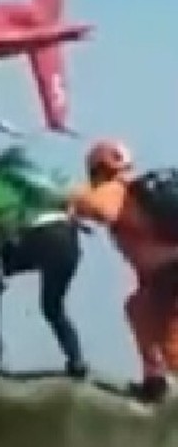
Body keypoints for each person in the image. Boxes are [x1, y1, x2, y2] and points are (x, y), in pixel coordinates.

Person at [0, 146, 88, 379]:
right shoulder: (26, 185)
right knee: (53, 306)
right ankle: (76, 360)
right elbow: (66, 202)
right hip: (68, 240)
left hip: (40, 238)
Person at [66, 139, 178, 402]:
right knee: (143, 308)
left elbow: (100, 209)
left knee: (144, 313)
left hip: (169, 271)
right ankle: (159, 380)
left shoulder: (115, 189)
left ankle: (159, 383)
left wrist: (69, 201)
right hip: (164, 275)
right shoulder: (141, 197)